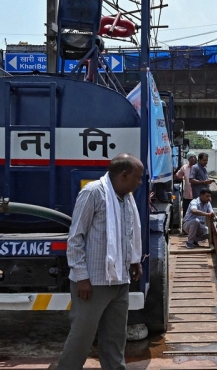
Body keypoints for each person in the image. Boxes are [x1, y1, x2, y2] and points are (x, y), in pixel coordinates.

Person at [56, 153, 144, 370]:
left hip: (119, 281)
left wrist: (134, 260)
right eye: (138, 177)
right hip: (93, 284)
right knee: (81, 339)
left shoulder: (126, 199)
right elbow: (76, 237)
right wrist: (81, 277)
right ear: (124, 175)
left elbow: (127, 233)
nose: (140, 182)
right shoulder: (93, 193)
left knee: (115, 340)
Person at [175, 152, 197, 220]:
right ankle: (185, 227)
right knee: (186, 212)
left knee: (196, 212)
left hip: (196, 194)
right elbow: (178, 175)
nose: (193, 158)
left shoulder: (198, 168)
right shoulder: (184, 168)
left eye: (194, 157)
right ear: (188, 159)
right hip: (187, 195)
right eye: (191, 157)